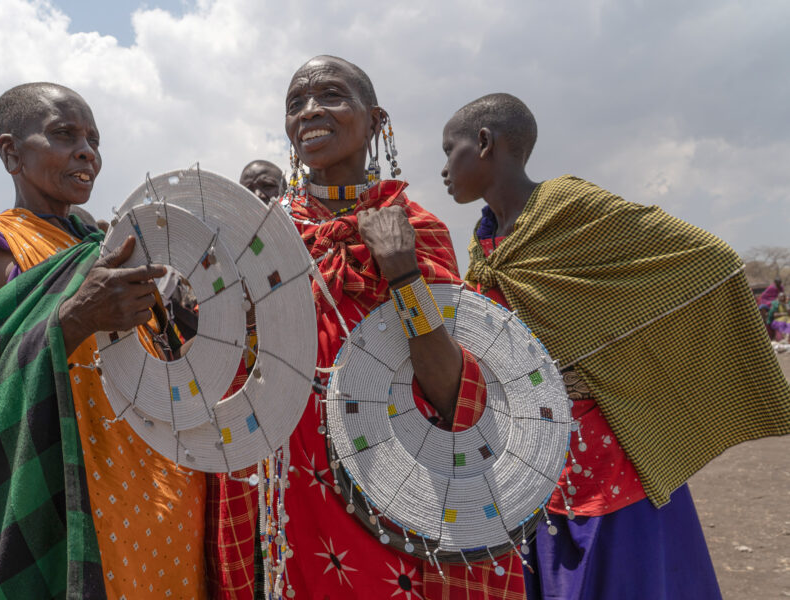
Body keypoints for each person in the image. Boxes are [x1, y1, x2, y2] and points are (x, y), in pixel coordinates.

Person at [441, 93, 790, 598]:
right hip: (534, 451)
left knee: (625, 577)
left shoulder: (567, 206)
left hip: (607, 449)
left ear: (484, 143)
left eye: (449, 150)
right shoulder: (485, 241)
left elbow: (710, 258)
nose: (443, 170)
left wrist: (619, 357)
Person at [206, 56, 524, 600]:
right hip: (288, 481)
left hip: (399, 479)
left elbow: (455, 393)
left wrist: (403, 275)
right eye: (295, 103)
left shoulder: (417, 229)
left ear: (376, 122)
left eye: (331, 95)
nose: (310, 111)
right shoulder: (258, 239)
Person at [0, 82, 209, 598]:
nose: (86, 150)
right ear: (11, 152)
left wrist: (181, 323)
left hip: (157, 485)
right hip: (59, 487)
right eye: (64, 134)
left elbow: (154, 360)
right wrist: (70, 322)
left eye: (93, 138)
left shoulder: (108, 247)